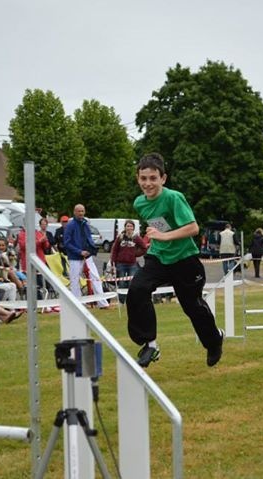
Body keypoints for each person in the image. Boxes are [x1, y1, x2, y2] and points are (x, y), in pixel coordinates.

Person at [126, 152, 224, 368]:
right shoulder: (139, 203)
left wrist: (163, 236)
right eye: (144, 178)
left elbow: (193, 228)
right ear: (138, 178)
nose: (148, 183)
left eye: (153, 178)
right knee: (137, 288)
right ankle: (149, 344)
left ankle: (214, 340)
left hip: (185, 259)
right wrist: (159, 239)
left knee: (192, 306)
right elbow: (160, 224)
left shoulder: (173, 197)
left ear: (163, 178)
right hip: (159, 257)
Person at [64, 204, 110, 309]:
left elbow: (88, 238)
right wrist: (79, 252)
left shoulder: (85, 224)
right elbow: (67, 243)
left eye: (82, 211)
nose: (81, 213)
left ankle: (103, 303)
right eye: (79, 211)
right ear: (74, 212)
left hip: (87, 255)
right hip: (75, 257)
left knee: (95, 277)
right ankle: (79, 304)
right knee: (75, 280)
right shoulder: (70, 226)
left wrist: (91, 249)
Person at [110, 219, 148, 304]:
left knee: (132, 282)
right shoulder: (120, 237)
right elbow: (115, 250)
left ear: (133, 228)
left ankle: (132, 300)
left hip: (132, 264)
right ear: (125, 227)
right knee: (122, 283)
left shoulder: (136, 237)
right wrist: (113, 263)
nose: (129, 228)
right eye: (128, 226)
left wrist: (135, 254)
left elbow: (144, 248)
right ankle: (121, 301)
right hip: (121, 264)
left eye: (131, 226)